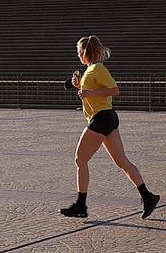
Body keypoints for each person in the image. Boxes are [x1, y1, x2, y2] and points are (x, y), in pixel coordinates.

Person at [60, 35, 160, 220]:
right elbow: (92, 93)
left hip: (101, 118)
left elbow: (114, 90)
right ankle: (148, 197)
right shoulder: (90, 70)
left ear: (84, 52)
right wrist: (78, 86)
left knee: (80, 160)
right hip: (107, 118)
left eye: (79, 53)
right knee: (122, 161)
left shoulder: (98, 68)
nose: (78, 56)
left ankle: (81, 205)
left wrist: (89, 92)